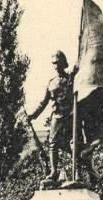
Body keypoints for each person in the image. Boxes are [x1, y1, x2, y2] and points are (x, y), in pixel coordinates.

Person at [28, 51, 76, 188]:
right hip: (57, 116)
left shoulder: (71, 79)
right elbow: (43, 103)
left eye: (58, 63)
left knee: (73, 145)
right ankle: (54, 172)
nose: (56, 66)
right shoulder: (51, 83)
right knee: (53, 144)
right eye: (54, 63)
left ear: (63, 63)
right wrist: (33, 115)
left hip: (71, 116)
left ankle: (76, 173)